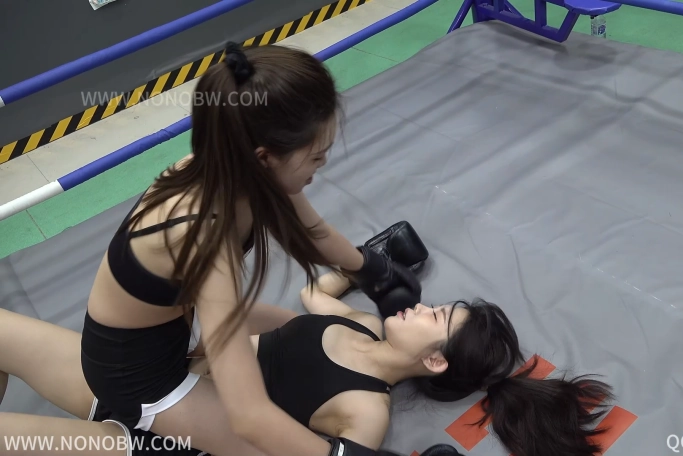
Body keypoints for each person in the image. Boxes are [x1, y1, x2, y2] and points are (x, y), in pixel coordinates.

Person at [76, 41, 422, 456]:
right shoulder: (202, 233)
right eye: (316, 157)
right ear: (265, 157)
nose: (322, 165)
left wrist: (371, 269)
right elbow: (249, 415)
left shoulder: (239, 167)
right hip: (139, 375)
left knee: (303, 332)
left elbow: (313, 231)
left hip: (176, 326)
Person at [0, 264, 615, 456]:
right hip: (154, 377)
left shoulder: (364, 412)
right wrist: (364, 265)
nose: (422, 306)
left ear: (433, 362)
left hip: (169, 438)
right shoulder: (362, 323)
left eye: (435, 317)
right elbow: (314, 295)